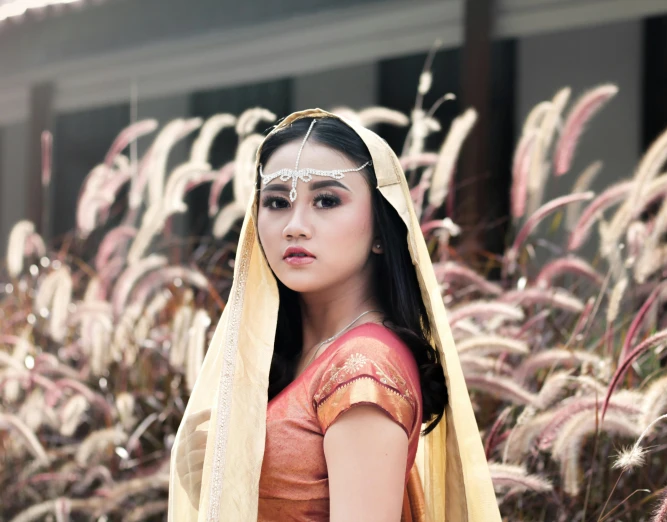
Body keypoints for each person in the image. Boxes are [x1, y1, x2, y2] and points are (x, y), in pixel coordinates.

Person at [168, 109, 501, 521]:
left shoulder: (362, 370)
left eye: (326, 200)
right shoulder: (291, 360)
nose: (295, 226)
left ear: (381, 229)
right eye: (275, 202)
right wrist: (220, 491)